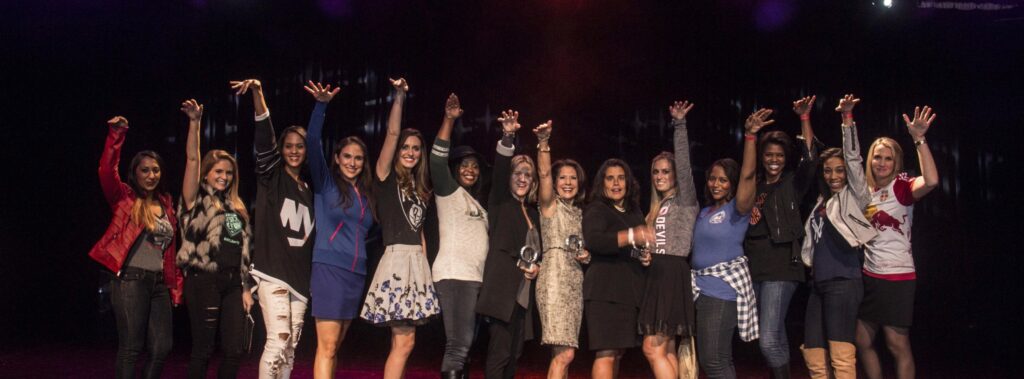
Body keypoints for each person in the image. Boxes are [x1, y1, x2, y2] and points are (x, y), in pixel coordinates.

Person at [230, 78, 315, 379]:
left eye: (300, 146)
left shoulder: (308, 189)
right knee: (277, 344)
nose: (294, 151)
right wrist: (258, 93)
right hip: (272, 273)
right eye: (288, 146)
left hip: (300, 283)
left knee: (290, 349)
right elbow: (264, 138)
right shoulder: (272, 177)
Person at [90, 115, 182, 379]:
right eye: (145, 170)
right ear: (135, 173)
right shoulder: (125, 199)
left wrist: (174, 287)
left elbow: (170, 251)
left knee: (162, 347)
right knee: (131, 347)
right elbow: (106, 170)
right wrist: (117, 133)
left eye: (156, 170)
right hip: (130, 280)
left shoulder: (165, 203)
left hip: (158, 284)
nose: (151, 175)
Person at [360, 78, 440, 379]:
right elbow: (393, 132)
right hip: (396, 262)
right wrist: (399, 97)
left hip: (416, 264)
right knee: (405, 342)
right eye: (406, 147)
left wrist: (426, 267)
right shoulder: (384, 177)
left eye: (416, 148)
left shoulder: (420, 187)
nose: (410, 152)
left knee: (403, 341)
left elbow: (419, 230)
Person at [855, 105, 939, 379]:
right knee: (863, 341)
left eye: (888, 159)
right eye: (877, 157)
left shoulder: (901, 187)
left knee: (896, 344)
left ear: (896, 162)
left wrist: (919, 139)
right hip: (870, 275)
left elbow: (932, 181)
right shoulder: (865, 190)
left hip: (898, 276)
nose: (881, 163)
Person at [798, 94, 878, 379]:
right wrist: (804, 119)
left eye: (839, 170)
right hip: (818, 285)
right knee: (814, 354)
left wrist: (847, 119)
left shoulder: (854, 197)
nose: (834, 175)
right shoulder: (822, 201)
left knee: (841, 356)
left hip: (844, 282)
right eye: (828, 170)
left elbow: (855, 160)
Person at [301, 82, 375, 379]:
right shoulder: (326, 184)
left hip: (356, 275)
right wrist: (321, 106)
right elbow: (312, 141)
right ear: (337, 158)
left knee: (336, 348)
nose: (353, 163)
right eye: (347, 156)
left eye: (358, 158)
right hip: (329, 270)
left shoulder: (367, 194)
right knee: (327, 347)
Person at [743, 96, 820, 379]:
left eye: (779, 155)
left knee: (769, 338)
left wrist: (804, 118)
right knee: (773, 335)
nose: (774, 160)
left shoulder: (792, 184)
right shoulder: (755, 185)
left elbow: (811, 159)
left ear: (786, 158)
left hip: (781, 265)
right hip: (755, 266)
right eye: (768, 155)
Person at [176, 99, 253, 379]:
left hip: (234, 283)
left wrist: (246, 287)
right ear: (207, 173)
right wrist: (195, 123)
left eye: (229, 172)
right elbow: (193, 159)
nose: (224, 177)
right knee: (203, 350)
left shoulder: (237, 207)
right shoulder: (195, 199)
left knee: (234, 350)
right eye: (218, 171)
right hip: (204, 279)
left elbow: (242, 250)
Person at [691, 109, 767, 379]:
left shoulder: (739, 209)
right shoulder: (704, 211)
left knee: (713, 361)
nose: (716, 184)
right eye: (712, 178)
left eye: (723, 179)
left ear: (733, 184)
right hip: (702, 289)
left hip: (721, 292)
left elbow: (748, 175)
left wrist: (749, 137)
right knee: (719, 360)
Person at [475, 110, 542, 379]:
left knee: (514, 356)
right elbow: (502, 167)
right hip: (502, 290)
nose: (523, 178)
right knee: (499, 354)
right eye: (518, 173)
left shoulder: (534, 213)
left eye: (528, 174)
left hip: (523, 294)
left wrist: (536, 267)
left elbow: (538, 252)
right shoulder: (501, 201)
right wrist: (508, 136)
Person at [429, 94, 489, 378]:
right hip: (455, 276)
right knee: (458, 345)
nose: (471, 170)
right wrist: (449, 120)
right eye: (465, 165)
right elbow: (437, 161)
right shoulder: (449, 192)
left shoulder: (475, 203)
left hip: (472, 278)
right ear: (456, 170)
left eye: (475, 166)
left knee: (467, 346)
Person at [640, 101, 699, 379]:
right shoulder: (654, 208)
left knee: (653, 349)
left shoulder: (685, 200)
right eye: (656, 172)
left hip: (673, 274)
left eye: (666, 171)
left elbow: (685, 166)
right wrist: (644, 254)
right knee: (669, 350)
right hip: (656, 276)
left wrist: (679, 125)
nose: (660, 176)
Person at [582, 158, 653, 379]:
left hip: (628, 293)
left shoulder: (633, 211)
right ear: (602, 183)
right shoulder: (597, 208)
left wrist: (643, 256)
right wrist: (632, 235)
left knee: (618, 353)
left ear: (628, 182)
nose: (616, 183)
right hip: (604, 292)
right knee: (606, 352)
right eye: (610, 178)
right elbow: (594, 241)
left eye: (621, 178)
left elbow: (634, 247)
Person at [532, 120, 589, 379]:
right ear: (554, 183)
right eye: (562, 178)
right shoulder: (549, 206)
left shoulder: (579, 212)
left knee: (562, 353)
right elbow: (542, 174)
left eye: (573, 178)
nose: (568, 182)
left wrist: (586, 255)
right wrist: (544, 144)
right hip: (554, 279)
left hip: (575, 280)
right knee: (566, 354)